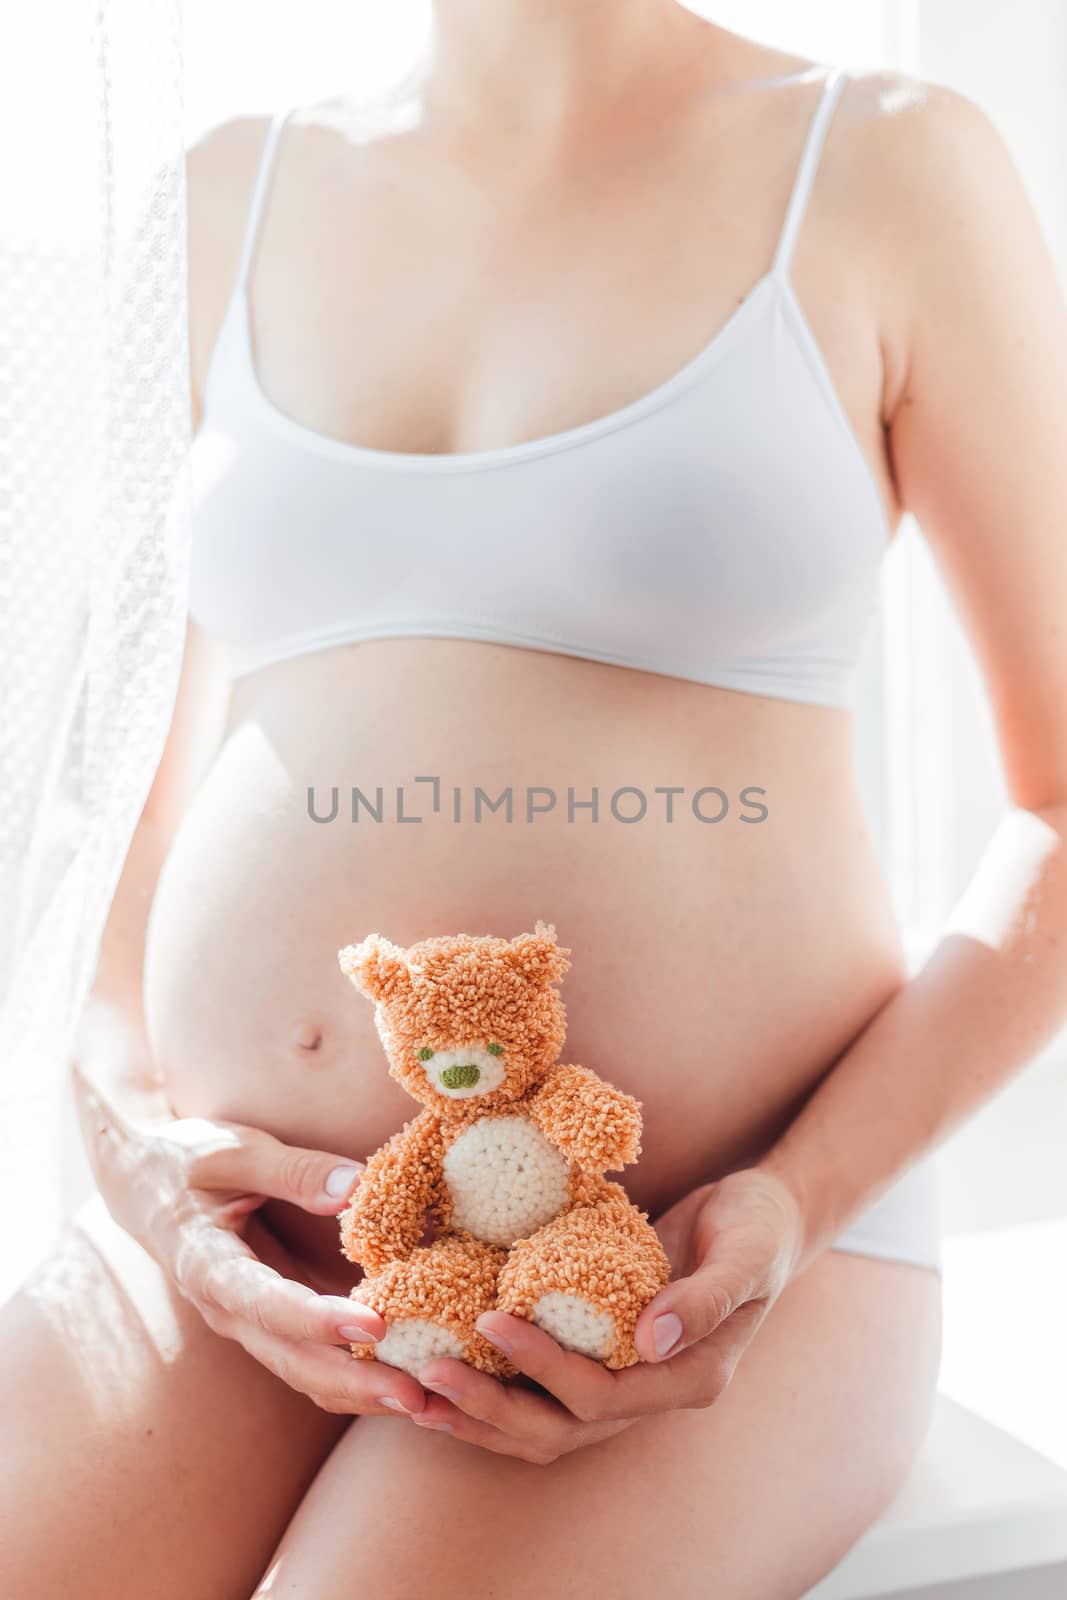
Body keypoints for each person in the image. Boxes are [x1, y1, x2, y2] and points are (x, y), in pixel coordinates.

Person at [5, 4, 1067, 1597]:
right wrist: (139, 1158)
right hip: (262, 1256)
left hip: (702, 1255)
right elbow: (115, 828)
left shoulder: (886, 167)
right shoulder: (223, 190)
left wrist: (797, 1202)